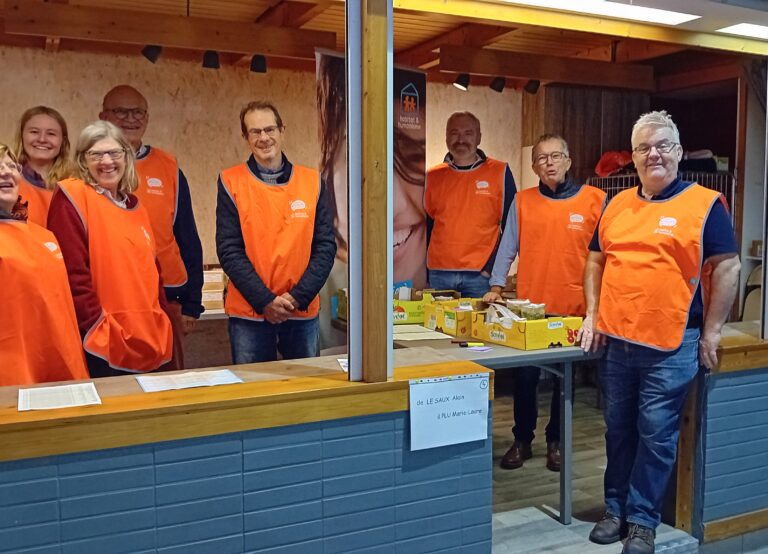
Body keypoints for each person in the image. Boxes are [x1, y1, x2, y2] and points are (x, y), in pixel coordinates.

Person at [579, 111, 740, 554]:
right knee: (617, 431)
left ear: (679, 152)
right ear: (632, 158)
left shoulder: (705, 204)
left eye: (663, 145)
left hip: (673, 344)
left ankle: (643, 522)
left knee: (656, 434)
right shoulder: (615, 205)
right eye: (644, 147)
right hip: (616, 342)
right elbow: (595, 261)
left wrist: (712, 333)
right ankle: (615, 511)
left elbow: (728, 267)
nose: (654, 154)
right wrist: (592, 313)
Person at [484, 134, 606, 472]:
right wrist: (496, 285)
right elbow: (507, 246)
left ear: (568, 160)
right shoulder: (522, 202)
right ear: (534, 166)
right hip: (529, 307)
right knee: (525, 378)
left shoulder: (596, 200)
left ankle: (556, 442)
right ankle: (522, 439)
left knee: (563, 383)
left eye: (556, 156)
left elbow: (607, 257)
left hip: (574, 308)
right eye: (541, 158)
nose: (549, 163)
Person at [47, 121, 173, 377]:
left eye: (114, 153)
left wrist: (162, 318)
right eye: (96, 154)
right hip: (102, 342)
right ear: (83, 160)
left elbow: (153, 273)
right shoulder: (71, 197)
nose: (107, 161)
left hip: (149, 339)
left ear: (126, 157)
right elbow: (72, 274)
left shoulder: (136, 208)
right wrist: (95, 326)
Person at [216, 101, 336, 363]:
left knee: (306, 396)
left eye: (270, 129)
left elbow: (325, 247)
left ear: (282, 130)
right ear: (245, 137)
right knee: (254, 397)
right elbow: (229, 250)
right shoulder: (230, 182)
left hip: (301, 311)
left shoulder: (312, 182)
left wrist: (296, 298)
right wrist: (265, 301)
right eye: (255, 132)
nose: (264, 138)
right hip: (250, 314)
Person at [100, 85, 203, 369]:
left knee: (169, 380)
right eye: (121, 111)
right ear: (103, 116)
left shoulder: (168, 167)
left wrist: (193, 302)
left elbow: (187, 237)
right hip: (112, 301)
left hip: (168, 297)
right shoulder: (91, 170)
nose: (131, 119)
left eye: (138, 112)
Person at [0, 143, 88, 386]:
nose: (5, 172)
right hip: (12, 375)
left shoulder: (45, 236)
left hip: (61, 364)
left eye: (10, 166)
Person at [424, 111, 515, 297]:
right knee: (436, 327)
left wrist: (491, 269)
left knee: (478, 327)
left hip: (480, 277)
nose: (460, 139)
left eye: (468, 133)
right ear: (446, 137)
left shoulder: (500, 172)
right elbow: (425, 229)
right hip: (438, 275)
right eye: (454, 133)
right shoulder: (432, 177)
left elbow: (511, 230)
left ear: (479, 137)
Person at [13, 106, 73, 227]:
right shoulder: (7, 180)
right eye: (34, 132)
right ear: (22, 136)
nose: (42, 139)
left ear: (63, 141)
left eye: (51, 134)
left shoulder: (76, 184)